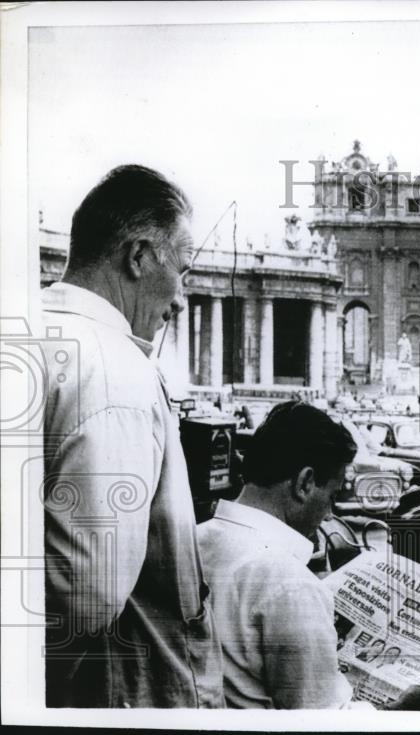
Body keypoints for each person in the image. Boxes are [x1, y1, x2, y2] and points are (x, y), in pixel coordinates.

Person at [41, 165, 224, 707]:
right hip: (113, 692)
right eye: (184, 272)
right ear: (138, 257)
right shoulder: (116, 370)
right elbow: (88, 597)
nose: (181, 300)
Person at [197, 401, 420, 710]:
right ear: (305, 483)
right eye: (333, 495)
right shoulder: (289, 584)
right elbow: (325, 724)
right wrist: (403, 711)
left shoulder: (194, 540)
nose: (329, 515)